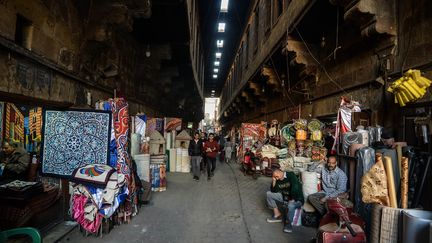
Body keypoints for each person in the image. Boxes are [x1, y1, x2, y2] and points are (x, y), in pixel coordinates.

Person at [266, 168, 304, 233]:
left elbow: (295, 188)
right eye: (275, 177)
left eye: (276, 176)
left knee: (291, 205)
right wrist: (274, 181)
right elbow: (274, 191)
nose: (276, 178)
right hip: (285, 197)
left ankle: (288, 225)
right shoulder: (277, 179)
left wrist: (292, 199)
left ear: (280, 172)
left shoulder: (290, 175)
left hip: (297, 198)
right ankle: (277, 214)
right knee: (269, 194)